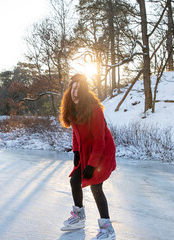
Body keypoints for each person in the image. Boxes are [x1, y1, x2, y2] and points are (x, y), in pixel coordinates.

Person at [59, 74, 116, 240]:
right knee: (74, 180)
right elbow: (76, 134)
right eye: (72, 89)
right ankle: (79, 217)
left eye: (79, 90)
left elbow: (100, 141)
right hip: (85, 152)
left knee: (96, 187)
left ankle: (107, 229)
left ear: (84, 92)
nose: (75, 93)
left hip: (102, 152)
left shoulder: (94, 110)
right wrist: (76, 152)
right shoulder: (72, 109)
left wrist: (91, 166)